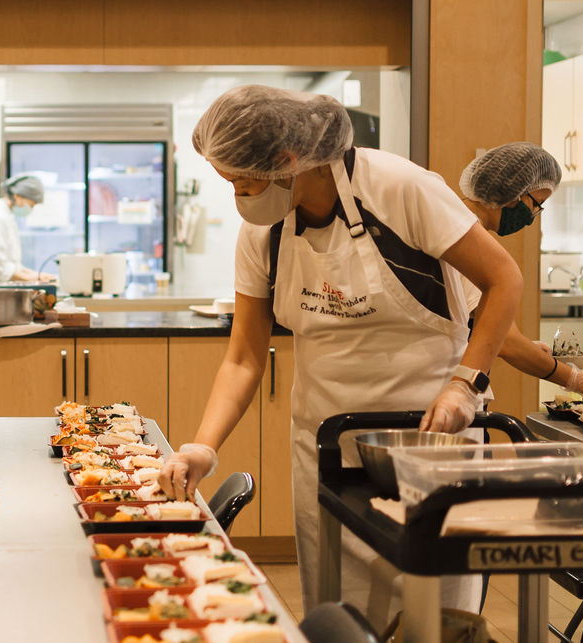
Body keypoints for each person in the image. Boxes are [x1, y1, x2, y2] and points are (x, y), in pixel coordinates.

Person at [158, 85, 522, 629]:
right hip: (326, 449)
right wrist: (203, 446)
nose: (239, 196)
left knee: (438, 622)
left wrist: (465, 385)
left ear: (288, 161)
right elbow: (243, 357)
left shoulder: (401, 188)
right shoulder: (265, 232)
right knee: (340, 617)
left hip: (430, 440)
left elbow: (503, 279)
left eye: (243, 181)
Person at [457, 141, 583, 399]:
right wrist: (578, 380)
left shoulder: (458, 224)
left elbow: (484, 328)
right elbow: (506, 342)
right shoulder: (465, 238)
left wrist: (530, 350)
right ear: (511, 191)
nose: (533, 215)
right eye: (537, 203)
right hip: (448, 395)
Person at [0, 173, 56, 283]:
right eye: (31, 204)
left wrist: (39, 275)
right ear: (17, 196)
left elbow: (14, 266)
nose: (30, 209)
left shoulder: (7, 217)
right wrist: (35, 278)